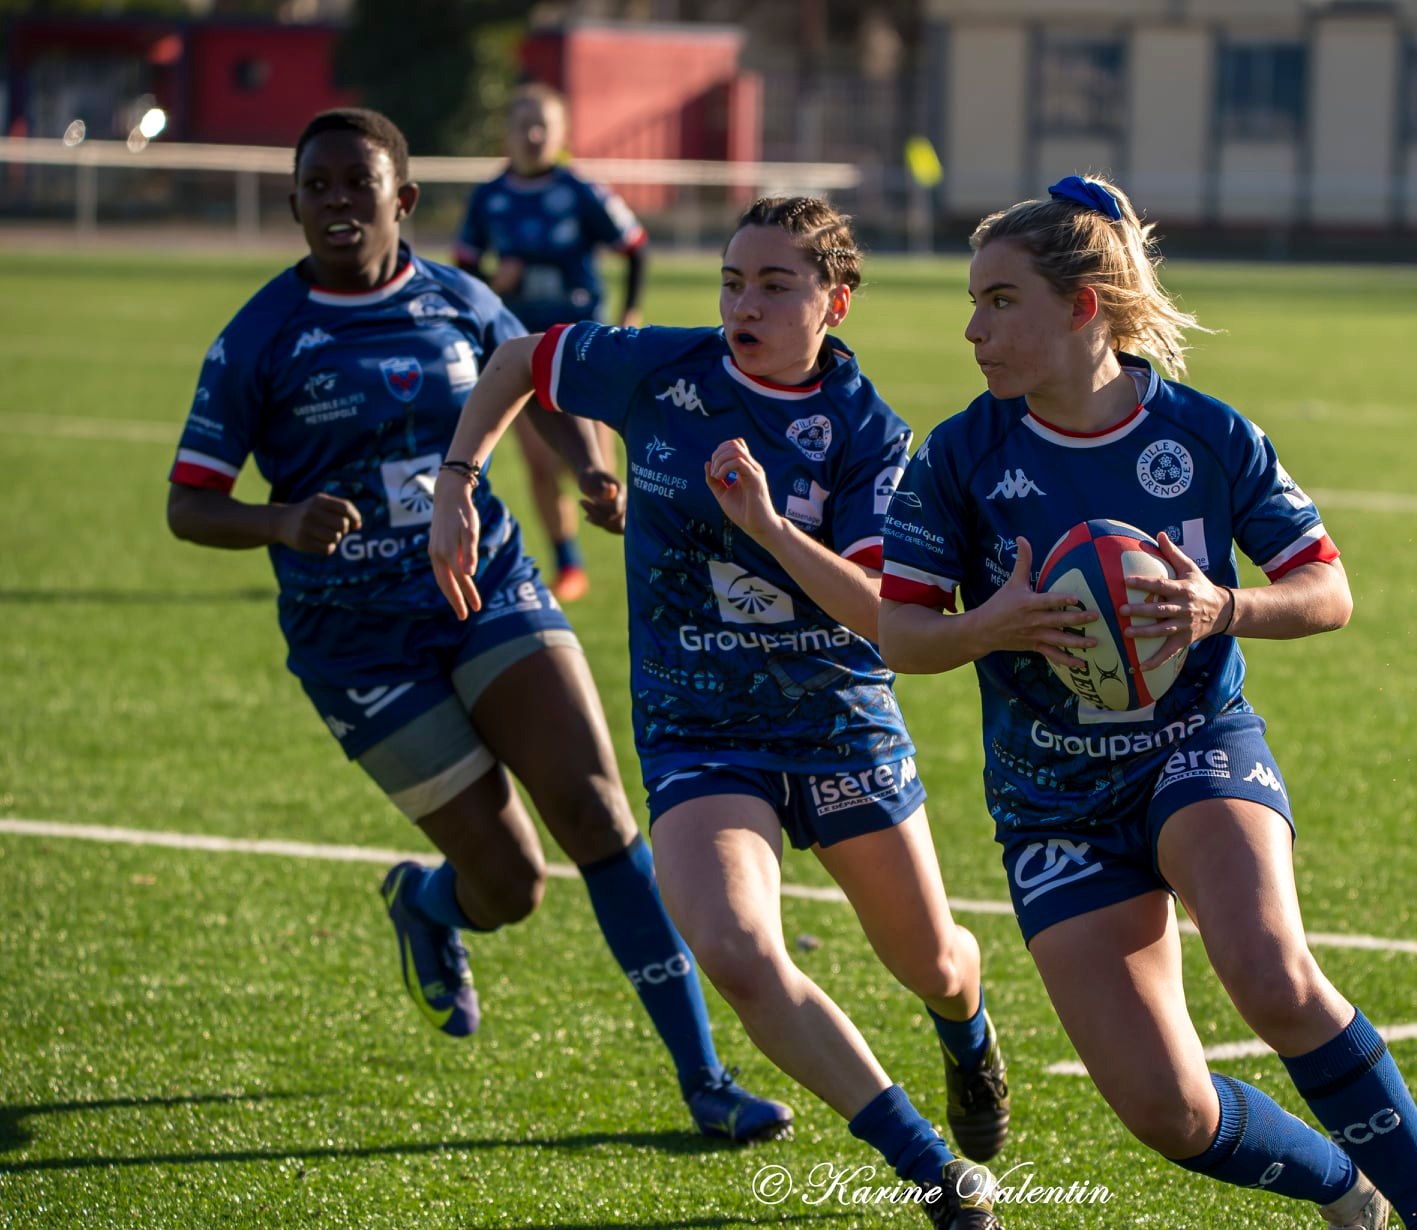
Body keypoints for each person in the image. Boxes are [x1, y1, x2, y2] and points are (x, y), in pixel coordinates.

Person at [164, 106, 789, 1144]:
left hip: (487, 588)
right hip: (357, 642)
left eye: (354, 185)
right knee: (508, 886)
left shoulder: (460, 299)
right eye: (313, 187)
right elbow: (189, 501)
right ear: (293, 203)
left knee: (596, 816)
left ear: (401, 200)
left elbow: (537, 384)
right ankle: (428, 906)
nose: (333, 204)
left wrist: (591, 462)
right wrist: (282, 519)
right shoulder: (260, 337)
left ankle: (706, 1080)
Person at [877, 175, 1417, 1230]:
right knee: (1168, 1110)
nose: (973, 330)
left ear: (1082, 307)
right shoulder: (960, 457)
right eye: (972, 303)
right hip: (1051, 799)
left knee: (1272, 974)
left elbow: (1328, 589)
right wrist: (992, 626)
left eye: (1000, 301)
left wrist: (1220, 607)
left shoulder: (1205, 436)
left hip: (1194, 746)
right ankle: (1351, 1193)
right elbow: (902, 635)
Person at [430, 197, 1010, 1229]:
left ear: (833, 300)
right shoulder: (662, 369)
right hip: (699, 731)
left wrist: (770, 529)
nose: (745, 302)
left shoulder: (871, 435)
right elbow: (519, 358)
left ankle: (967, 1035)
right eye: (734, 281)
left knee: (934, 960)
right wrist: (459, 481)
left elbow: (884, 617)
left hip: (838, 720)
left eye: (775, 284)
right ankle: (928, 1167)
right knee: (736, 947)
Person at [455, 82, 650, 603]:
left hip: (583, 348)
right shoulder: (489, 197)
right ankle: (568, 564)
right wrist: (499, 281)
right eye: (524, 124)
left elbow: (634, 246)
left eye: (544, 125)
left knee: (596, 473)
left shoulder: (582, 190)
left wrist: (630, 310)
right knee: (542, 466)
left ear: (562, 133)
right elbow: (467, 272)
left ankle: (649, 556)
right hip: (519, 352)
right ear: (508, 133)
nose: (534, 134)